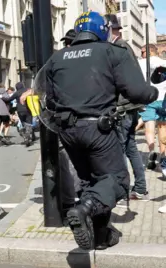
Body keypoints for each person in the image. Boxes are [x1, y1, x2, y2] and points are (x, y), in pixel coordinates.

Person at [40, 12, 158, 250]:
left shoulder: (56, 58)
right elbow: (137, 92)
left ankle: (100, 237)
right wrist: (152, 93)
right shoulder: (112, 52)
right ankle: (83, 209)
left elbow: (48, 99)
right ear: (103, 29)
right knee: (116, 180)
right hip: (98, 129)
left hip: (67, 130)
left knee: (90, 182)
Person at [104, 14, 149, 204]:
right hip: (130, 105)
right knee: (131, 148)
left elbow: (118, 79)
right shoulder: (124, 46)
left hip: (123, 106)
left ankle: (121, 193)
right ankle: (140, 189)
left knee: (119, 151)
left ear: (108, 29)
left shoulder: (117, 47)